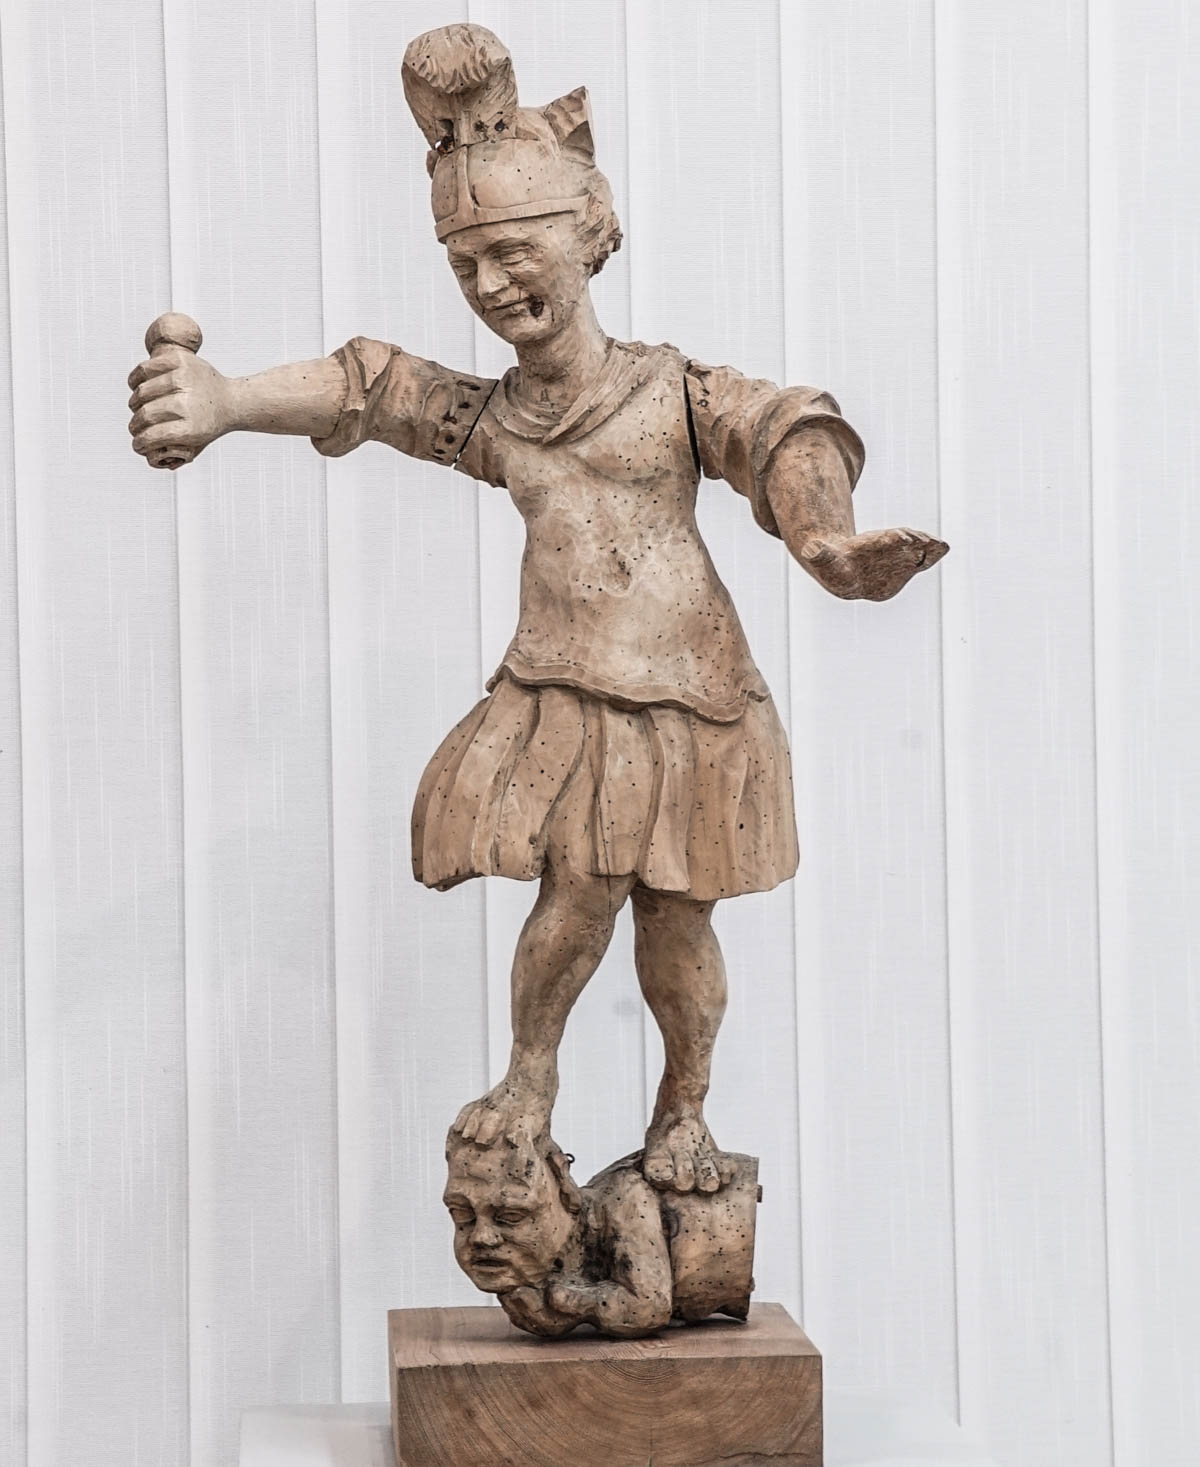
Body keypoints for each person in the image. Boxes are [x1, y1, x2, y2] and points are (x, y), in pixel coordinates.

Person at [127, 23, 947, 1199]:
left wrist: (823, 539)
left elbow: (784, 431)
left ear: (589, 232)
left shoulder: (669, 390)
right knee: (577, 896)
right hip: (568, 688)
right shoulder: (498, 421)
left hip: (692, 694)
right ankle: (530, 1081)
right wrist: (223, 399)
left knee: (678, 925)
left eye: (513, 250)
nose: (492, 285)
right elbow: (372, 387)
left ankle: (683, 1108)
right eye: (466, 266)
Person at [444, 1125, 759, 1339]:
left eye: (511, 1216)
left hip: (730, 1231)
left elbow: (647, 1306)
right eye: (462, 1215)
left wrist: (569, 1303)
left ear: (566, 1191)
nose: (481, 1237)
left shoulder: (623, 1198)